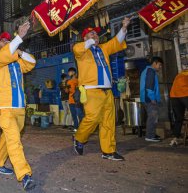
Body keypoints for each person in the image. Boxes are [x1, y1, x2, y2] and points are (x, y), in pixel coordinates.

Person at [73, 17, 130, 161]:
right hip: (92, 90)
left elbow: (116, 42)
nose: (96, 36)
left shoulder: (103, 48)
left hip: (107, 91)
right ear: (85, 37)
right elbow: (78, 48)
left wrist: (123, 27)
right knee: (92, 118)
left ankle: (108, 151)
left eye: (96, 34)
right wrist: (91, 40)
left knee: (108, 122)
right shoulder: (81, 50)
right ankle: (79, 138)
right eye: (92, 34)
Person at [0, 22, 37, 191]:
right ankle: (25, 175)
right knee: (14, 140)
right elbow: (4, 55)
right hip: (4, 106)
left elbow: (32, 62)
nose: (6, 42)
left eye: (7, 40)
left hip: (19, 106)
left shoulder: (17, 63)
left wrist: (20, 51)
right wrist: (19, 38)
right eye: (2, 41)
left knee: (8, 138)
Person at [140, 57, 163, 142]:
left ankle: (151, 134)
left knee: (152, 117)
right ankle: (149, 136)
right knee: (152, 117)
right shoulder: (151, 71)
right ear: (155, 63)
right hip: (149, 99)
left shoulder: (146, 71)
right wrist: (153, 98)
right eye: (160, 65)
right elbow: (149, 87)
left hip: (146, 98)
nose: (160, 67)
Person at [169, 69, 188, 146]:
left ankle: (174, 139)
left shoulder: (181, 74)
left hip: (174, 96)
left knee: (179, 118)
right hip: (185, 94)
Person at [67, 67, 84, 132]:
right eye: (68, 72)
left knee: (80, 115)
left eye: (70, 72)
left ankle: (82, 128)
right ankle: (76, 128)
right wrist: (66, 89)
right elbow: (67, 91)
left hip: (77, 101)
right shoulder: (68, 81)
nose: (69, 73)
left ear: (73, 72)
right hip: (71, 101)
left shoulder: (78, 81)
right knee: (74, 116)